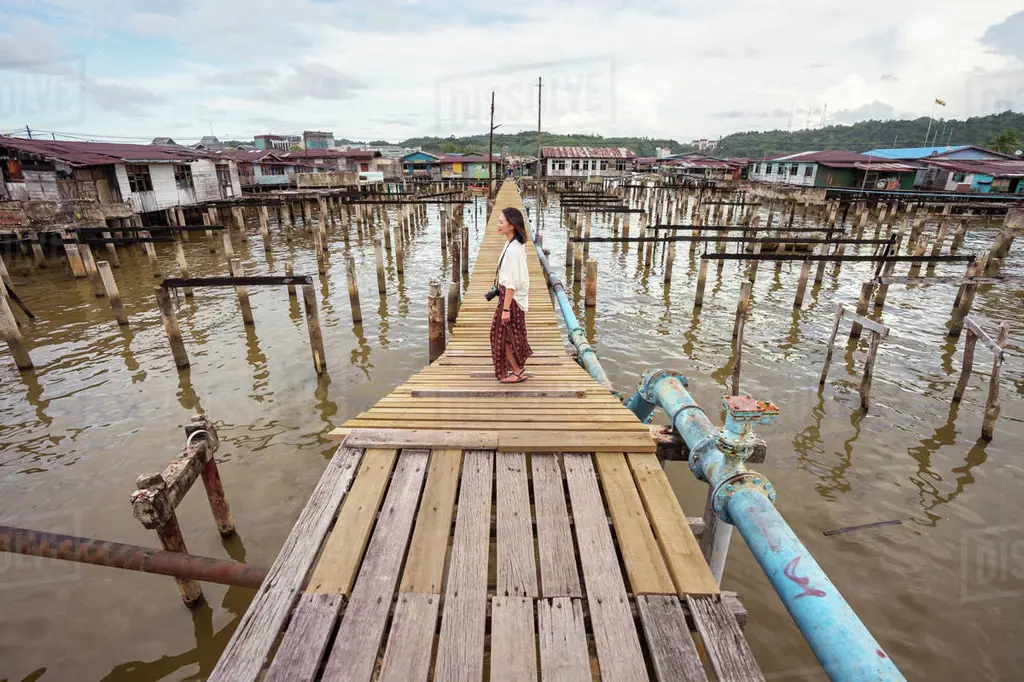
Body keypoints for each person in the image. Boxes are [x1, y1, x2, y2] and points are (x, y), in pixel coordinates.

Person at [490, 207, 532, 383]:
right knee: (507, 335)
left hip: (511, 300)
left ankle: (517, 371)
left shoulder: (514, 249)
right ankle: (517, 369)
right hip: (510, 298)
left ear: (512, 226)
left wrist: (505, 309)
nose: (498, 225)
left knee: (503, 336)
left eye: (501, 222)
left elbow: (511, 285)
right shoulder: (512, 243)